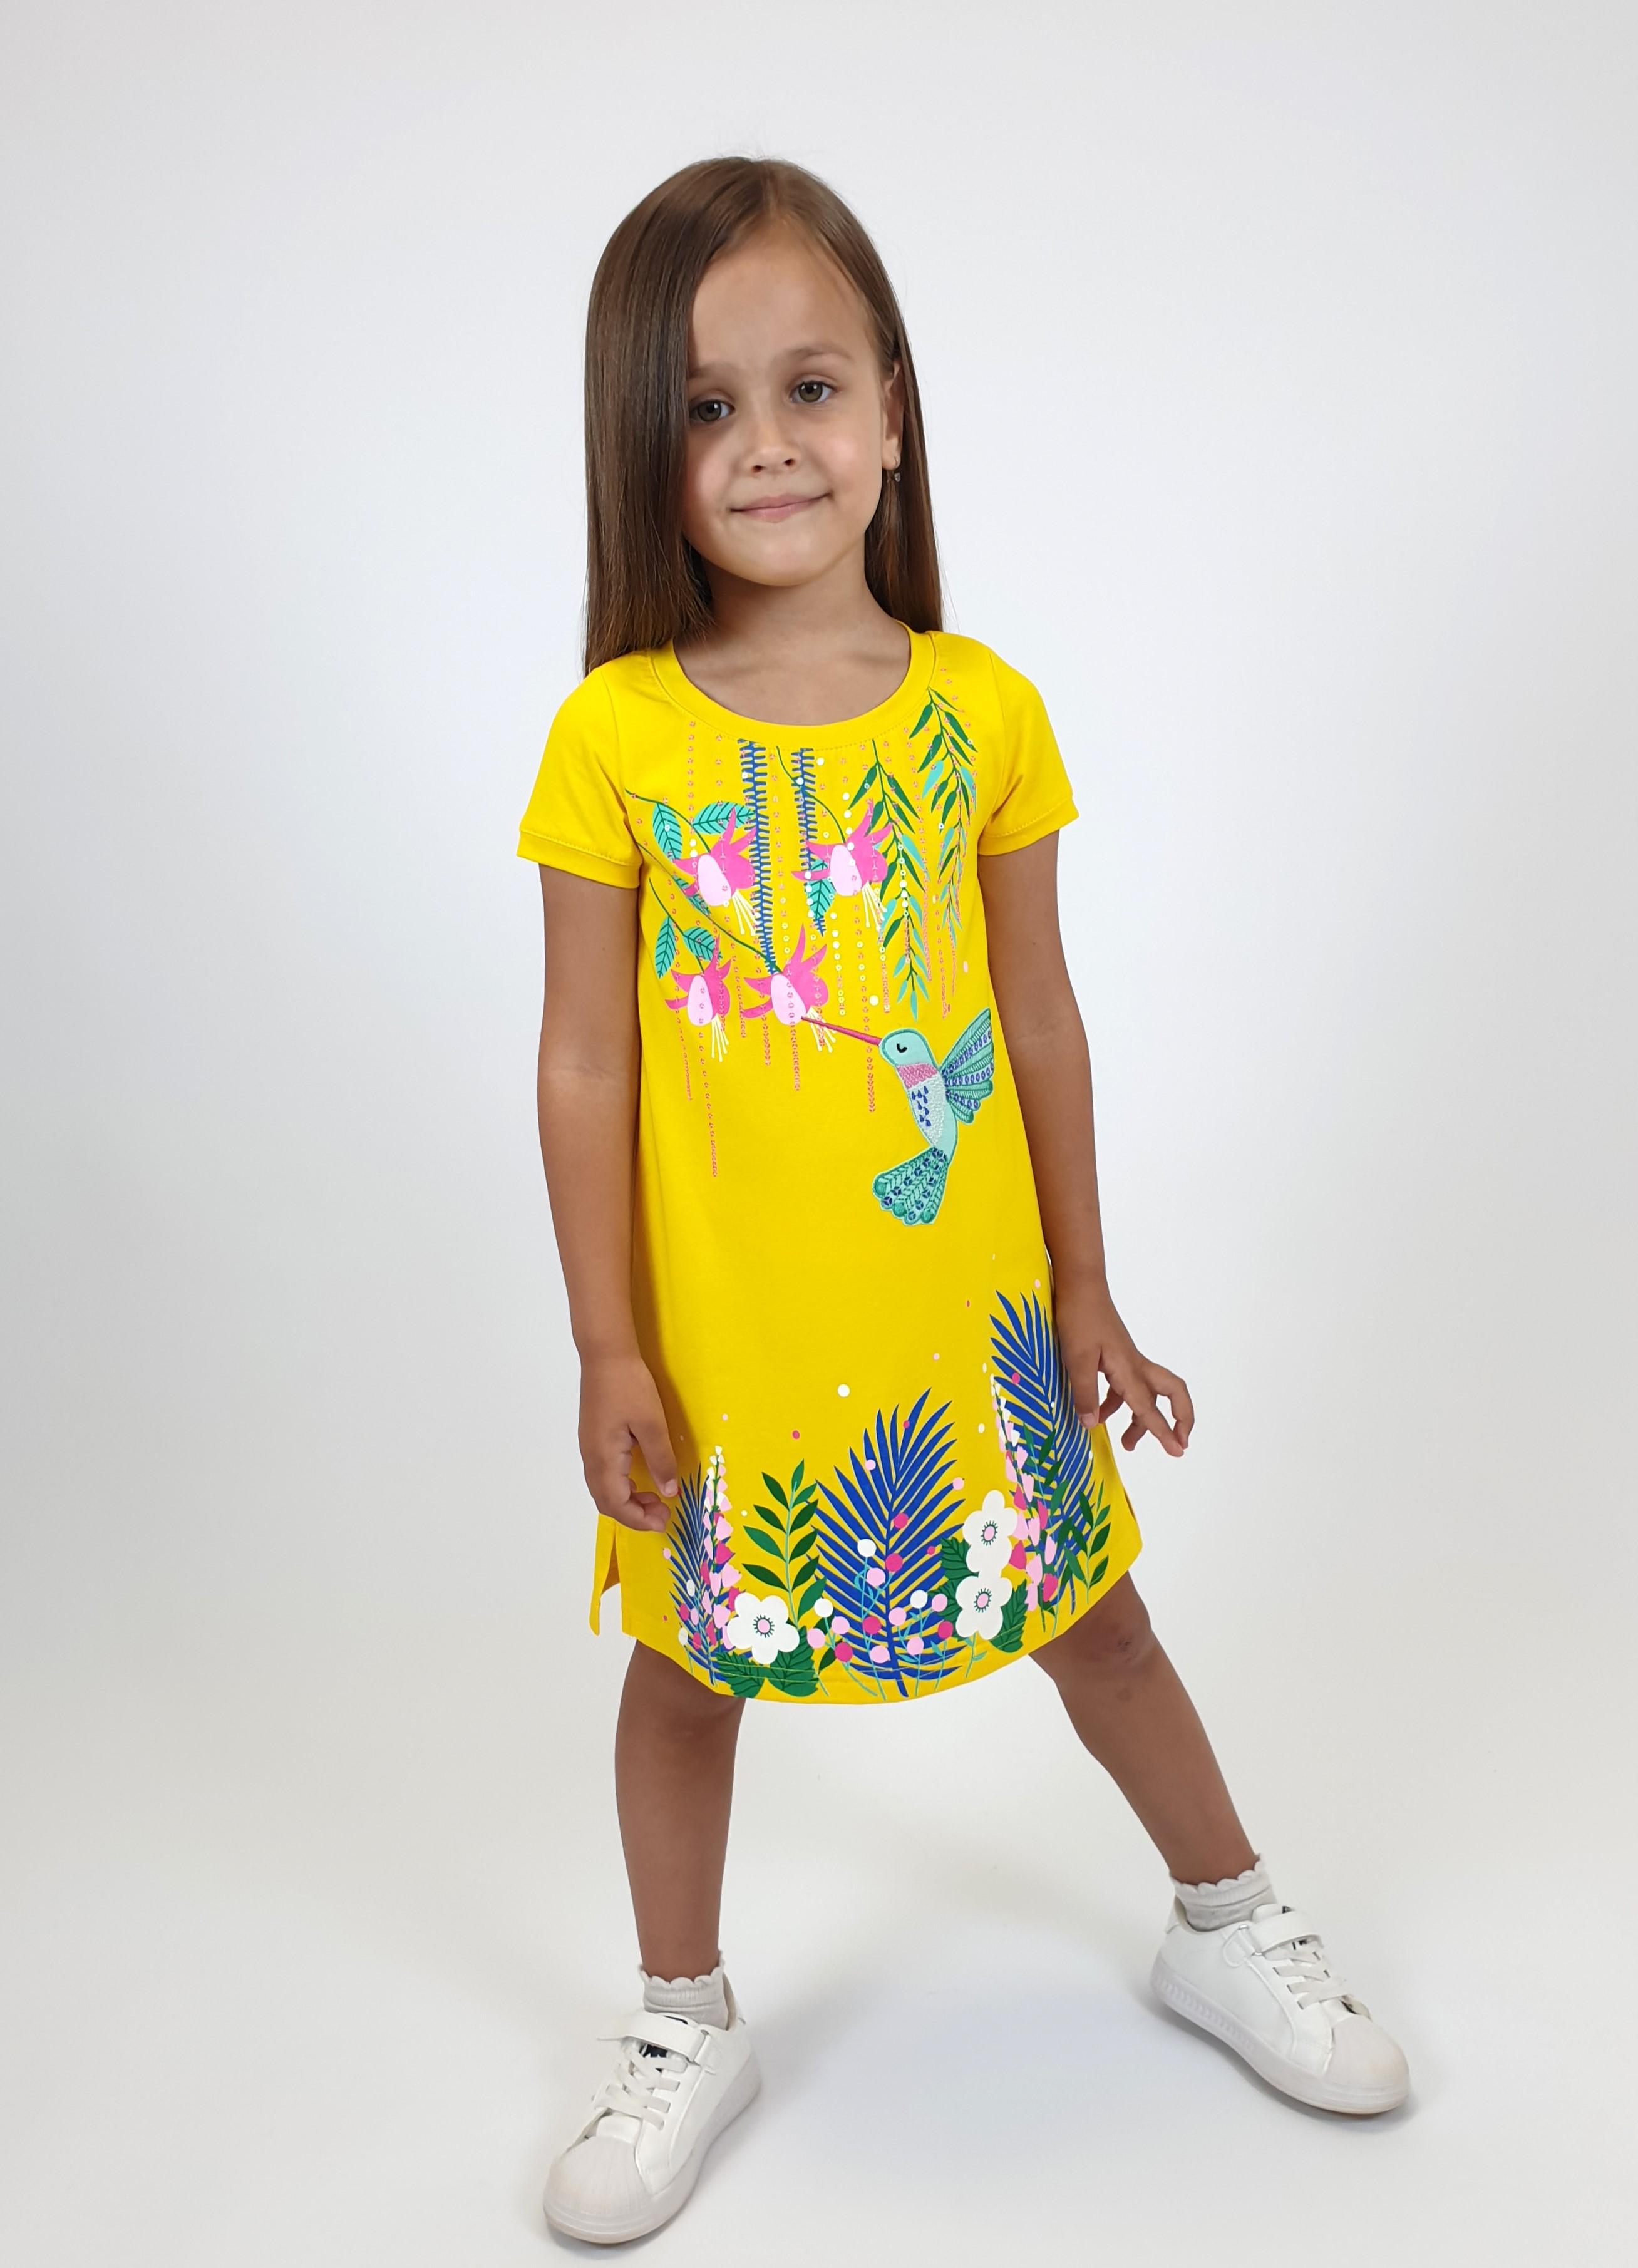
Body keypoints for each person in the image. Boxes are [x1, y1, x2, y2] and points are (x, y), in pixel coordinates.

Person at [518, 157, 1408, 2247]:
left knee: (1100, 1623)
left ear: (894, 413)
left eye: (809, 388)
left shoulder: (981, 711)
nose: (767, 445)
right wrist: (609, 1343)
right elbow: (584, 1065)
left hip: (973, 1325)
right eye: (705, 407)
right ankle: (679, 2021)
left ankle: (1229, 1922)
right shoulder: (615, 739)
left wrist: (1089, 1289)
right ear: (641, 451)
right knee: (688, 1672)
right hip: (733, 1345)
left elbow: (1038, 1016)